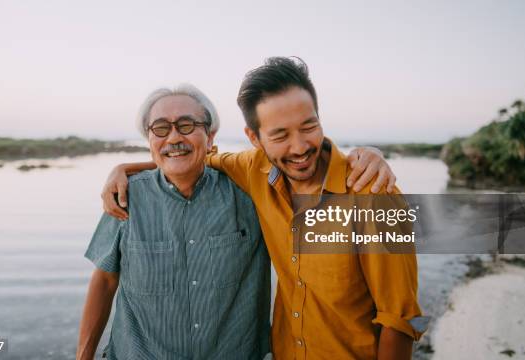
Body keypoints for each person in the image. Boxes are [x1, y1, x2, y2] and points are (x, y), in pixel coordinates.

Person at [101, 57, 427, 359]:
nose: (299, 147)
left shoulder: (377, 196)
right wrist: (128, 168)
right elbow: (188, 156)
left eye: (308, 126)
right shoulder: (253, 169)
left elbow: (400, 320)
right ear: (255, 138)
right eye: (280, 135)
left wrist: (370, 152)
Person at [77, 85, 271, 360]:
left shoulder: (249, 195)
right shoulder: (125, 196)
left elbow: (298, 164)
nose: (174, 137)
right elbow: (106, 281)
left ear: (210, 135)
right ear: (149, 139)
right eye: (160, 128)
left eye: (186, 125)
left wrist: (352, 162)